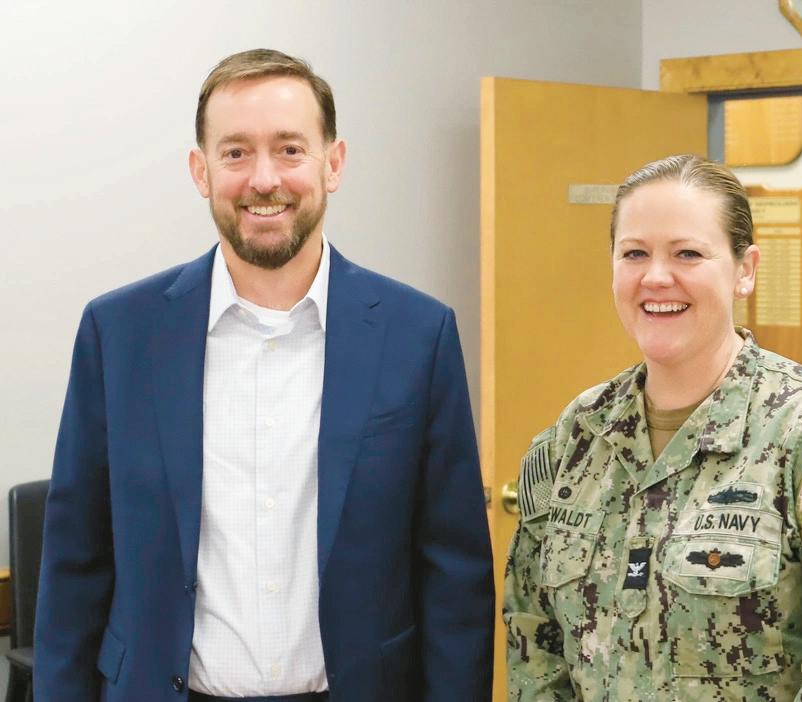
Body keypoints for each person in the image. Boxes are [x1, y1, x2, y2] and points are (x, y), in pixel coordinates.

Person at [35, 49, 494, 702]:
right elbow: (74, 563)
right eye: (236, 153)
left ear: (333, 163)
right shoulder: (120, 333)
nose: (264, 179)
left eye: (289, 149)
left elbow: (454, 574)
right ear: (201, 171)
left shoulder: (418, 334)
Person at [504, 155, 802, 700]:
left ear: (744, 270)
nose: (656, 277)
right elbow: (533, 644)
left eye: (688, 253)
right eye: (634, 253)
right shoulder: (577, 436)